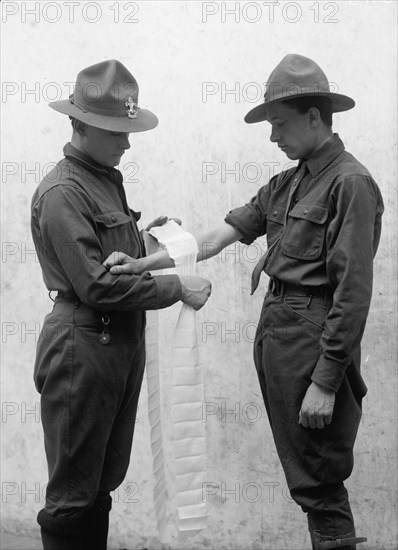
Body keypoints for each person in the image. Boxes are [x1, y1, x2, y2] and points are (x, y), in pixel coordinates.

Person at [104, 54, 384, 549]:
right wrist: (141, 264)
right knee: (304, 469)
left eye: (279, 124)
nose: (273, 136)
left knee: (319, 475)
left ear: (314, 117)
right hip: (280, 333)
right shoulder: (289, 182)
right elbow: (216, 237)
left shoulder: (350, 184)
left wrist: (326, 380)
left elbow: (353, 292)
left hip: (313, 338)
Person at [30, 59, 211, 550]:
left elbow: (115, 266)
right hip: (83, 348)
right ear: (80, 124)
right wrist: (178, 287)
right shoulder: (65, 190)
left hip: (115, 345)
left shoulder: (104, 176)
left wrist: (149, 246)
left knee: (101, 483)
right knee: (72, 494)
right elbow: (97, 286)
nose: (126, 142)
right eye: (115, 131)